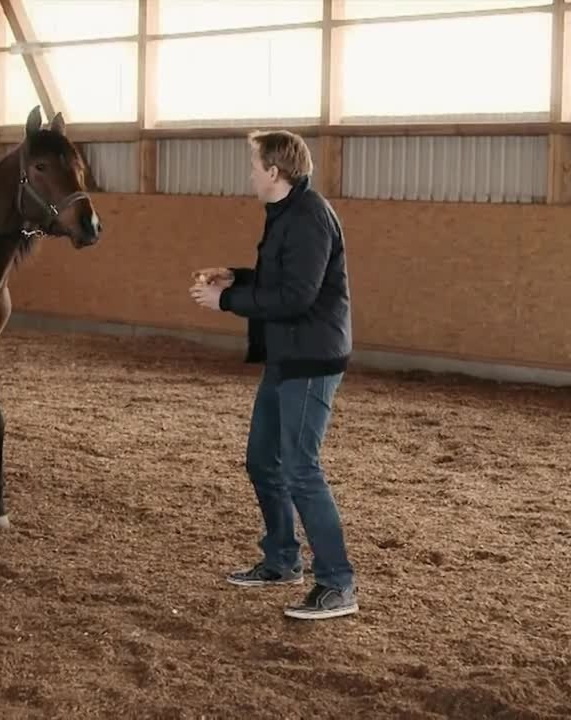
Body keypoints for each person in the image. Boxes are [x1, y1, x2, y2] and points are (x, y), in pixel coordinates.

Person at [189, 130, 358, 620]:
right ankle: (283, 561)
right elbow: (282, 281)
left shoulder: (308, 218)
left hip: (310, 358)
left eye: (254, 166)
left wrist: (227, 300)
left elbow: (297, 297)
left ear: (273, 171)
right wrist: (236, 277)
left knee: (301, 468)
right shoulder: (287, 212)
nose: (250, 174)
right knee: (263, 461)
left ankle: (338, 584)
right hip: (287, 356)